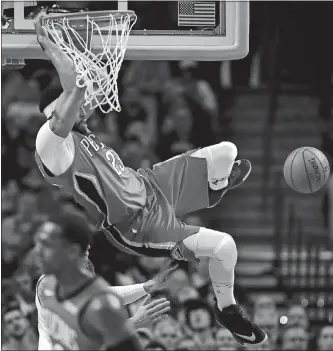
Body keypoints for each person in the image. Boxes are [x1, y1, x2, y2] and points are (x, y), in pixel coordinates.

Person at [33, 11, 267, 346]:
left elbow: (78, 89)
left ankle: (215, 187)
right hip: (135, 223)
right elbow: (75, 85)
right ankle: (227, 308)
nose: (83, 106)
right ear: (55, 112)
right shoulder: (52, 144)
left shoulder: (80, 134)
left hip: (149, 184)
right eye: (73, 105)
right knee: (225, 247)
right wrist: (51, 45)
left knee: (226, 152)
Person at [34, 211, 142, 350]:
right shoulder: (46, 285)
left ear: (72, 251)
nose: (37, 251)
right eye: (37, 242)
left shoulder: (101, 306)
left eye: (47, 245)